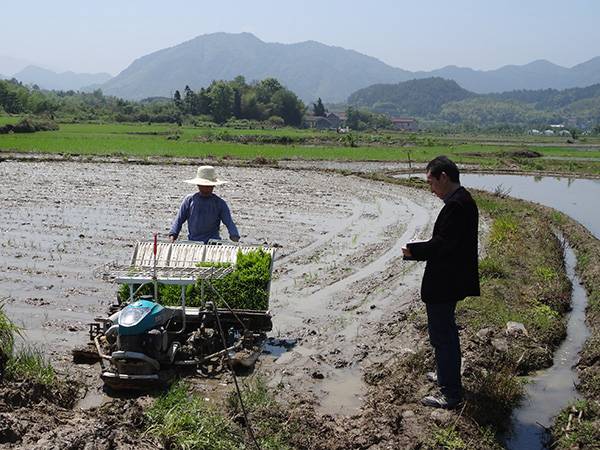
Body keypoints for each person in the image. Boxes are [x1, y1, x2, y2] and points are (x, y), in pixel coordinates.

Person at [402, 156, 480, 409]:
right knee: (445, 332)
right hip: (452, 279)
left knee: (443, 335)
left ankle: (451, 393)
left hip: (446, 281)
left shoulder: (457, 205)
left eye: (431, 182)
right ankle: (445, 376)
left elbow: (443, 245)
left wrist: (413, 250)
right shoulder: (461, 200)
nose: (431, 188)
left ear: (443, 177)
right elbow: (448, 241)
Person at [169, 165, 240, 243]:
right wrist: (173, 235)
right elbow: (179, 220)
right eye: (203, 186)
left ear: (213, 186)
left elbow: (229, 222)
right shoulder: (189, 201)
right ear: (198, 185)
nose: (206, 189)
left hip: (213, 243)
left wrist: (234, 236)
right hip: (193, 242)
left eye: (209, 186)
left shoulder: (219, 203)